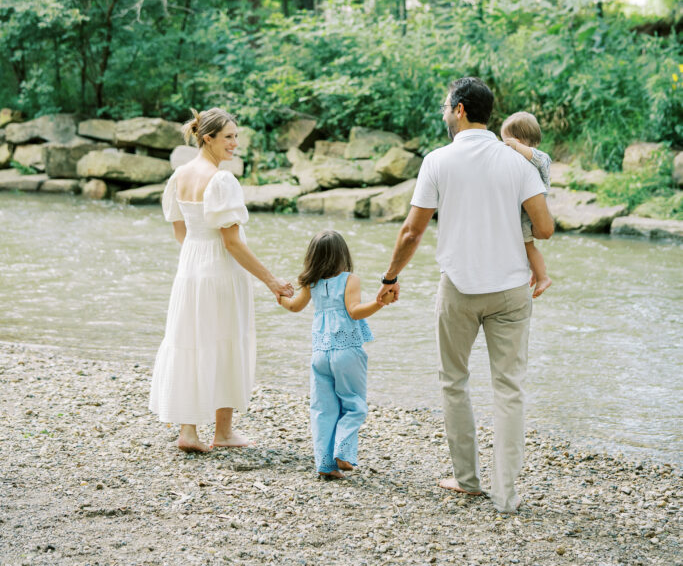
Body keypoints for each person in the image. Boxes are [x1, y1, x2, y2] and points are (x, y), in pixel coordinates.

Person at [377, 77, 554, 513]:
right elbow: (546, 229)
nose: (443, 113)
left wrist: (390, 277)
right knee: (509, 389)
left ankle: (467, 479)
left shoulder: (438, 161)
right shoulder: (518, 164)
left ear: (459, 110)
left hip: (458, 288)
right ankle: (507, 496)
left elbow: (412, 231)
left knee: (454, 382)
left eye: (444, 106)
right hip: (512, 289)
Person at [149, 107, 293, 453]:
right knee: (226, 341)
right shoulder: (222, 180)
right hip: (220, 270)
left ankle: (188, 431)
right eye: (228, 137)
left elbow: (180, 232)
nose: (235, 143)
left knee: (192, 340)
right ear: (208, 138)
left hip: (190, 269)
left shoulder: (179, 175)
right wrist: (272, 281)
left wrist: (198, 258)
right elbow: (231, 242)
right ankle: (223, 433)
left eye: (236, 136)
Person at [278, 230, 392, 479]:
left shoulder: (312, 283)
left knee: (322, 409)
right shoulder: (350, 279)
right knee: (354, 406)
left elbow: (295, 306)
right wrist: (380, 303)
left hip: (320, 354)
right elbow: (355, 312)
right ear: (343, 255)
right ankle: (342, 451)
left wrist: (281, 298)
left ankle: (325, 464)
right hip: (347, 352)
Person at [501, 111, 552, 298]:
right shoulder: (521, 159)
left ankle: (543, 276)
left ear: (518, 140)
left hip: (531, 209)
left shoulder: (540, 157)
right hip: (525, 207)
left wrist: (515, 147)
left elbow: (535, 157)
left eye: (506, 142)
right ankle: (536, 273)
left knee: (528, 246)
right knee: (525, 246)